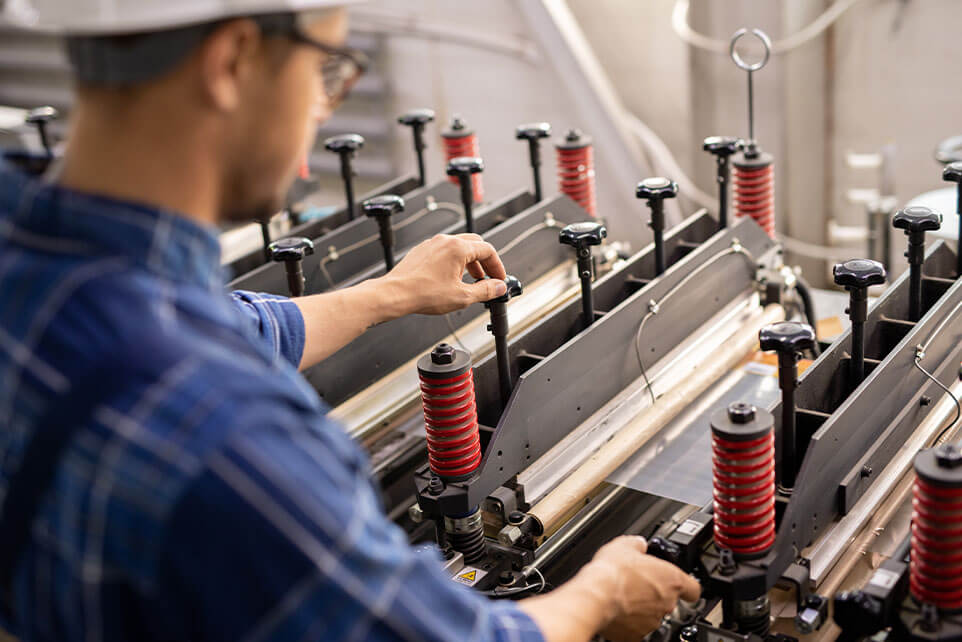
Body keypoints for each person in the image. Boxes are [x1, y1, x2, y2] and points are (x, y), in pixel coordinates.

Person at [0, 1, 700, 640]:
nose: (325, 108)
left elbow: (225, 322)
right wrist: (606, 594)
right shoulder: (228, 435)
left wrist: (388, 295)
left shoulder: (34, 255)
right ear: (233, 61)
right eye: (324, 67)